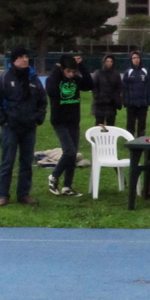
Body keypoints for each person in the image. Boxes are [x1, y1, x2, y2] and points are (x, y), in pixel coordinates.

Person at [0, 46, 47, 206]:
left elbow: (42, 100)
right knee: (7, 161)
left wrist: (38, 118)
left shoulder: (33, 78)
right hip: (10, 128)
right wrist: (3, 121)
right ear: (14, 61)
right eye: (20, 57)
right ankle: (3, 195)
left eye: (26, 56)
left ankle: (24, 194)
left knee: (26, 163)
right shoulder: (3, 78)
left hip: (29, 127)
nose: (24, 59)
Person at [46, 54, 94, 197]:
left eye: (73, 72)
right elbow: (52, 92)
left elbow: (90, 85)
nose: (71, 74)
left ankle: (67, 186)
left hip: (73, 121)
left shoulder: (75, 79)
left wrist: (82, 67)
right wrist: (56, 70)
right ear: (62, 69)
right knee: (70, 151)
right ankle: (54, 176)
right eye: (68, 71)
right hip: (60, 121)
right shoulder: (53, 79)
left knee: (72, 156)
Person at [122, 51, 150, 136]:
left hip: (143, 104)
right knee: (130, 123)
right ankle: (130, 140)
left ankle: (141, 140)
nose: (136, 59)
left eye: (137, 57)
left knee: (142, 124)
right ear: (131, 60)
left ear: (140, 59)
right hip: (131, 104)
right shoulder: (128, 72)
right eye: (134, 58)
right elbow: (124, 88)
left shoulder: (145, 71)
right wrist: (125, 101)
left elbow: (149, 87)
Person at [91, 54, 122, 126]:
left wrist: (115, 98)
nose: (109, 63)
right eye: (107, 61)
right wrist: (98, 97)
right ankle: (98, 137)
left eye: (111, 61)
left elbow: (119, 87)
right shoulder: (98, 73)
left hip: (111, 104)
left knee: (111, 126)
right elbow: (94, 87)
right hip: (99, 104)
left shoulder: (116, 74)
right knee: (99, 125)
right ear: (104, 62)